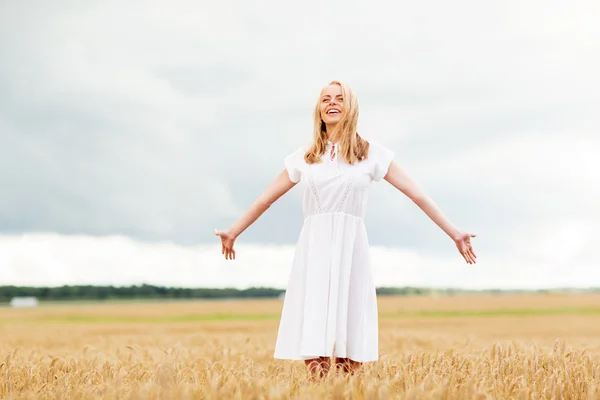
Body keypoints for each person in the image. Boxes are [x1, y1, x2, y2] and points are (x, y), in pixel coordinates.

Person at [214, 80, 477, 378]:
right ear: (319, 109)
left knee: (349, 355)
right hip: (314, 251)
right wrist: (234, 230)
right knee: (316, 349)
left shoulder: (372, 154)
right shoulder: (305, 157)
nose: (332, 103)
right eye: (325, 99)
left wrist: (454, 232)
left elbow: (417, 195)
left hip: (351, 251)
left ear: (351, 107)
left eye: (339, 98)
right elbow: (265, 199)